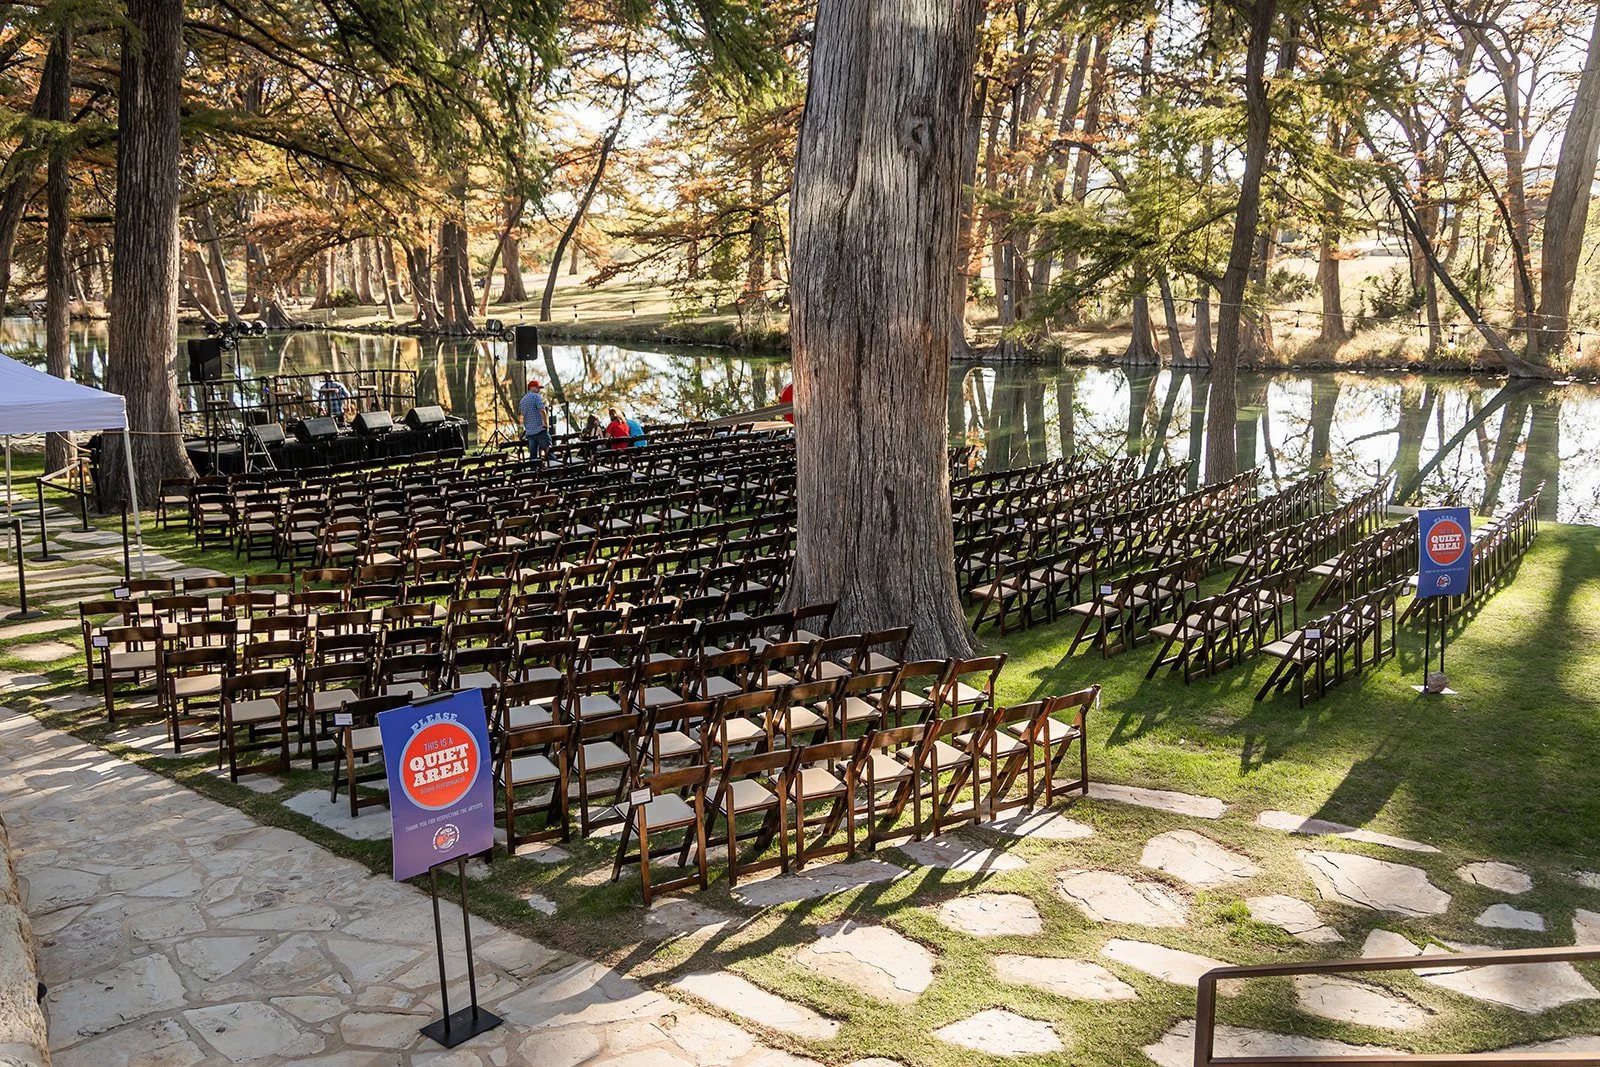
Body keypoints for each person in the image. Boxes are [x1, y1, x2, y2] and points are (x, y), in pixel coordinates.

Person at [520, 378, 552, 464]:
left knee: (533, 457)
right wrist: (546, 423)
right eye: (537, 388)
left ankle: (533, 474)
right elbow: (542, 410)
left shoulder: (522, 400)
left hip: (530, 432)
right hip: (540, 430)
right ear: (531, 387)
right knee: (549, 453)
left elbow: (523, 415)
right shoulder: (536, 396)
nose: (538, 390)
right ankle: (555, 472)